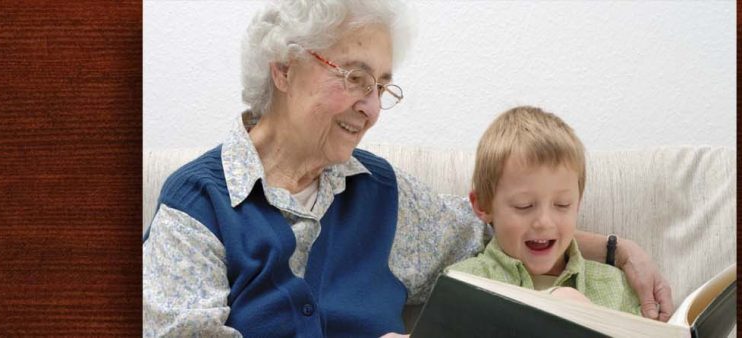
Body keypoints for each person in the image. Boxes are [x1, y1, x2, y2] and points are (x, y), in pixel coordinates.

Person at [142, 1, 672, 337]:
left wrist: (618, 250)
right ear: (284, 68)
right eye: (354, 78)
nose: (371, 108)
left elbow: (496, 227)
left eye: (380, 86)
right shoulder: (197, 204)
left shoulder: (382, 193)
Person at [446, 106, 641, 314]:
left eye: (562, 204)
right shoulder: (462, 284)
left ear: (577, 204)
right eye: (524, 205)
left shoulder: (614, 286)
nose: (544, 222)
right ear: (483, 205)